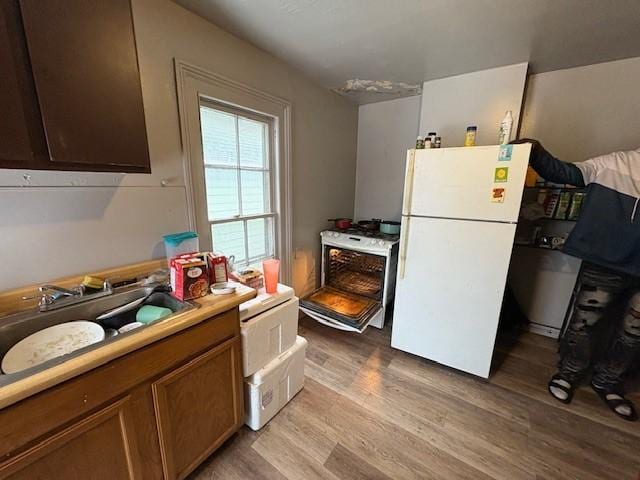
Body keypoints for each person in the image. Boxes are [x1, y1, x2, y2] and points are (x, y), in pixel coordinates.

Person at [514, 139, 640, 422]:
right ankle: (568, 373)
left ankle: (607, 382)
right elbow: (567, 173)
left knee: (633, 333)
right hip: (604, 261)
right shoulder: (614, 163)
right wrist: (535, 151)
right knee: (584, 323)